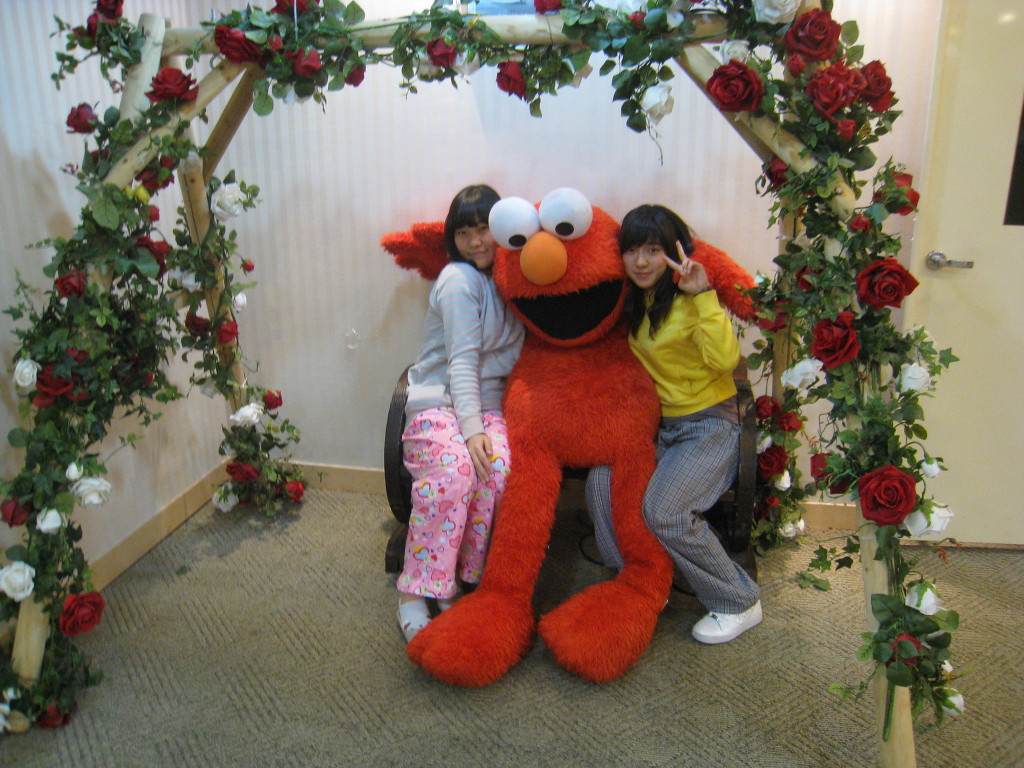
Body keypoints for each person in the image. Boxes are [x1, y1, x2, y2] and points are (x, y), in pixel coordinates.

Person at [586, 204, 762, 644]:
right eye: (632, 250)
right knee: (602, 481)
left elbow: (725, 360)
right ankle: (636, 582)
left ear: (675, 251)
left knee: (665, 512)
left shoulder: (690, 297)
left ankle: (738, 601)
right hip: (662, 429)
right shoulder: (635, 301)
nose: (641, 261)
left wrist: (703, 296)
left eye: (653, 250)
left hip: (710, 425)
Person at [396, 184, 525, 643]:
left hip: (487, 407)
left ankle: (457, 577)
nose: (475, 242)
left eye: (484, 229)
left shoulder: (512, 280)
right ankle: (415, 591)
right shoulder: (458, 279)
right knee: (454, 471)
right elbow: (462, 362)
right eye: (464, 233)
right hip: (439, 401)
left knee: (498, 470)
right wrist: (470, 431)